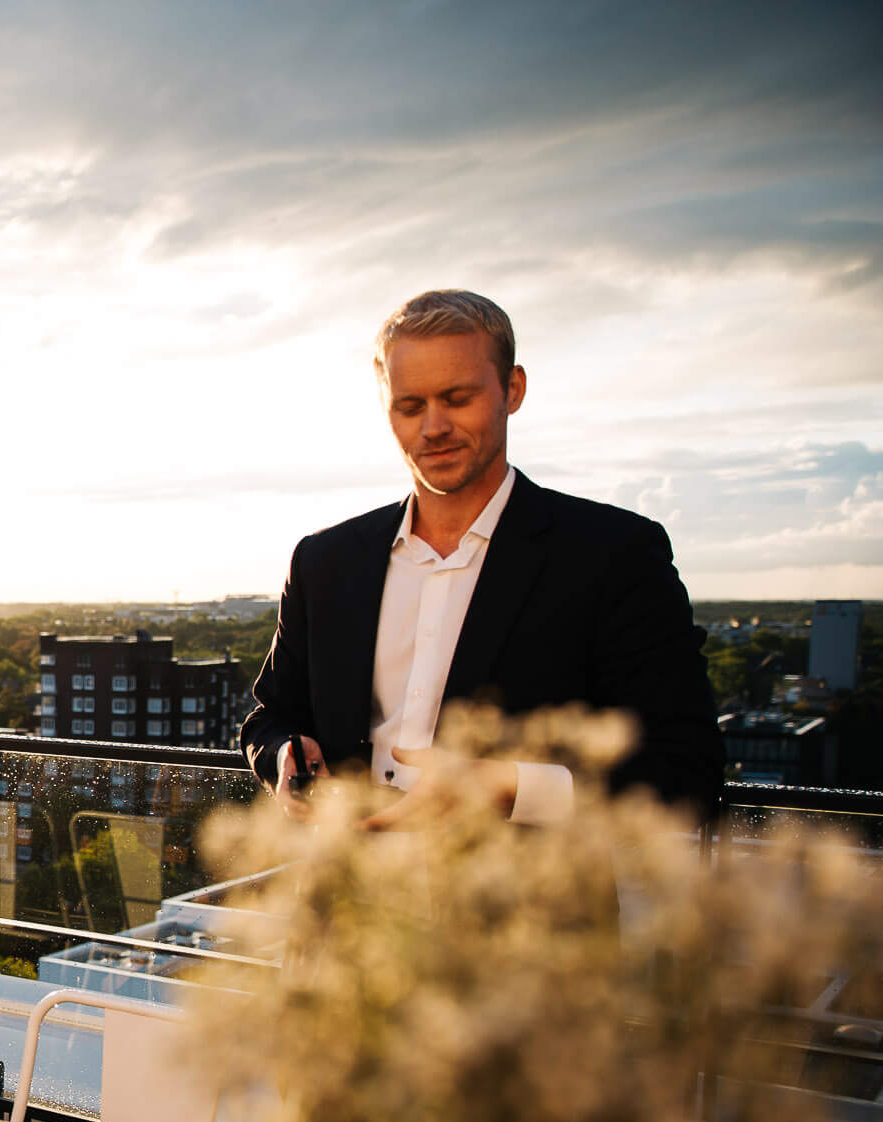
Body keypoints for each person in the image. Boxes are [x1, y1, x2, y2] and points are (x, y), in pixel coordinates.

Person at [242, 290, 721, 829]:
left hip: (526, 909)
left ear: (512, 390)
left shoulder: (615, 554)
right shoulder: (323, 560)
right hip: (344, 903)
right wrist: (284, 754)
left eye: (457, 397)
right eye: (410, 406)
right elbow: (271, 717)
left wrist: (505, 787)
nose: (434, 427)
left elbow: (689, 770)